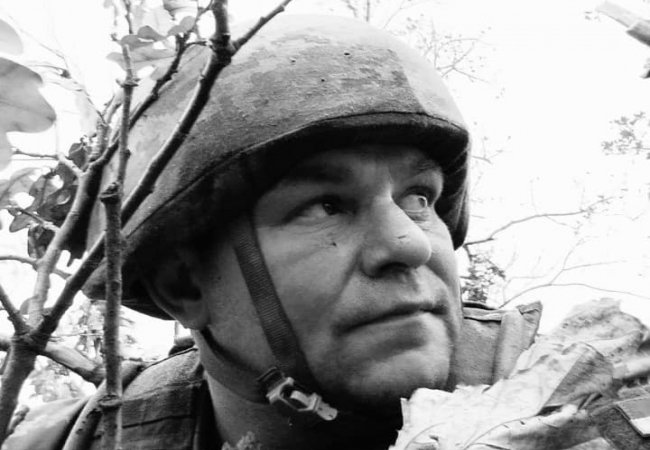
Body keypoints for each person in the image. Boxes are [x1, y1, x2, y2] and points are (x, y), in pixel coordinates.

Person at [4, 13, 593, 450]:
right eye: (326, 206)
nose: (410, 244)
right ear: (184, 284)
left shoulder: (588, 398)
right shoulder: (78, 439)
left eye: (420, 198)